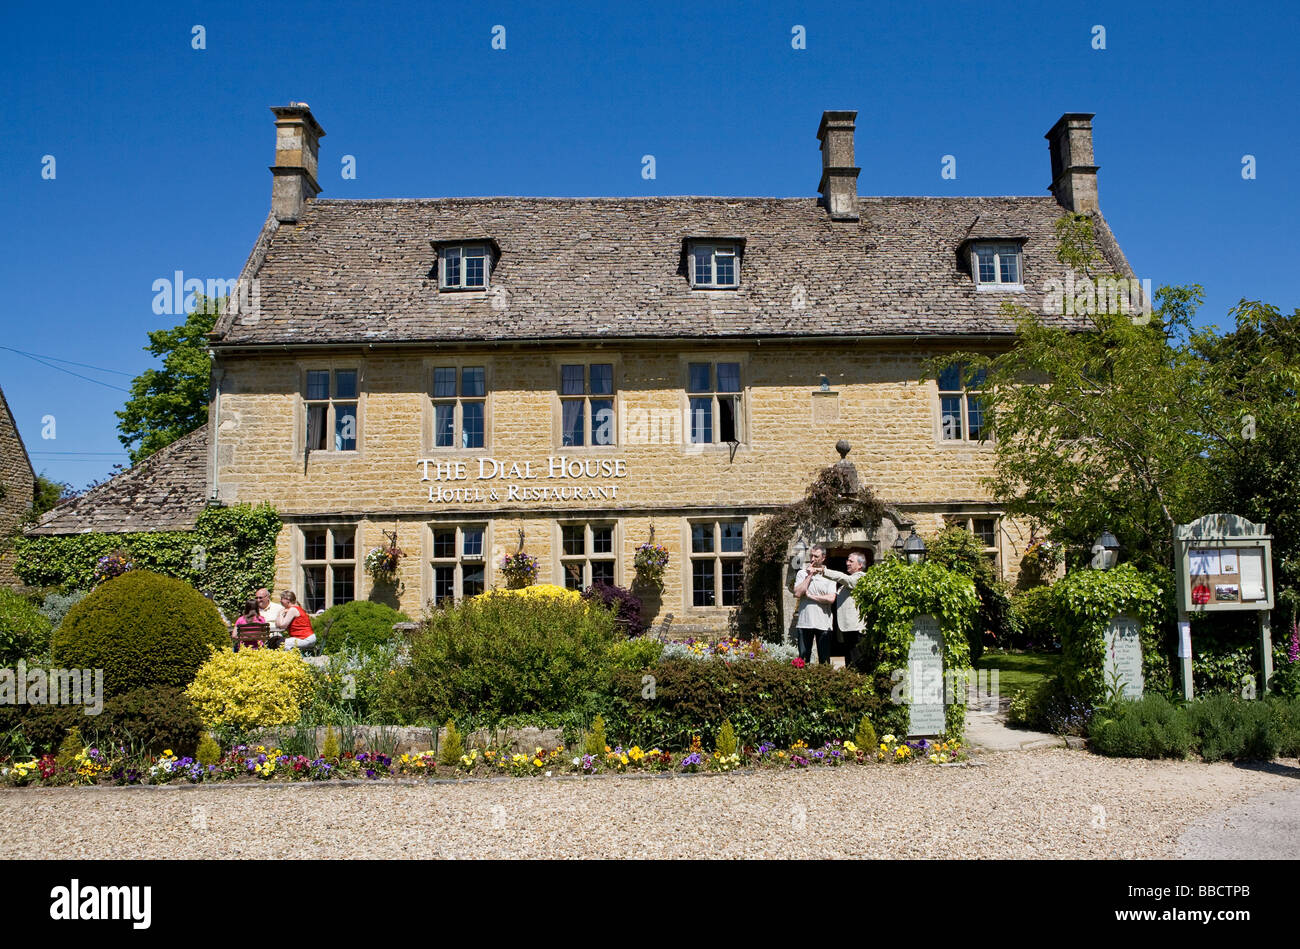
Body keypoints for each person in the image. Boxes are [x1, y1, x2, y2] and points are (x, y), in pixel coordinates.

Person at [821, 551, 868, 666]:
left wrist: (824, 571)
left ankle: (859, 682)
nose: (847, 563)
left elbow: (845, 579)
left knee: (857, 661)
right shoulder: (850, 580)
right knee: (850, 661)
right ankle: (852, 682)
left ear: (860, 565)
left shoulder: (861, 577)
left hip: (856, 628)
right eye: (847, 560)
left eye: (851, 561)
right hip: (848, 628)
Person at [792, 544, 837, 664]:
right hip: (805, 622)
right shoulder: (802, 574)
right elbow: (797, 593)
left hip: (823, 623)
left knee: (824, 660)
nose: (812, 559)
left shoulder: (829, 575)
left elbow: (831, 598)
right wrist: (809, 575)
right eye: (811, 555)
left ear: (823, 558)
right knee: (803, 659)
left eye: (816, 556)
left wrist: (811, 596)